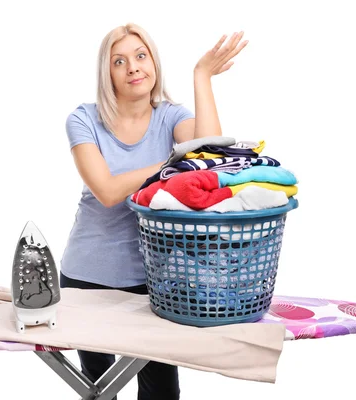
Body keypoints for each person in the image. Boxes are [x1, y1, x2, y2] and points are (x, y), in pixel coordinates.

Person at [59, 23, 248, 400]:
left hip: (156, 280)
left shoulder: (169, 117)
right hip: (87, 277)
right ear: (107, 73)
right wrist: (171, 163)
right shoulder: (83, 120)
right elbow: (108, 191)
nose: (133, 67)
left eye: (141, 56)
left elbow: (209, 157)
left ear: (154, 64)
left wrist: (203, 76)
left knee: (162, 390)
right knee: (99, 389)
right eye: (119, 61)